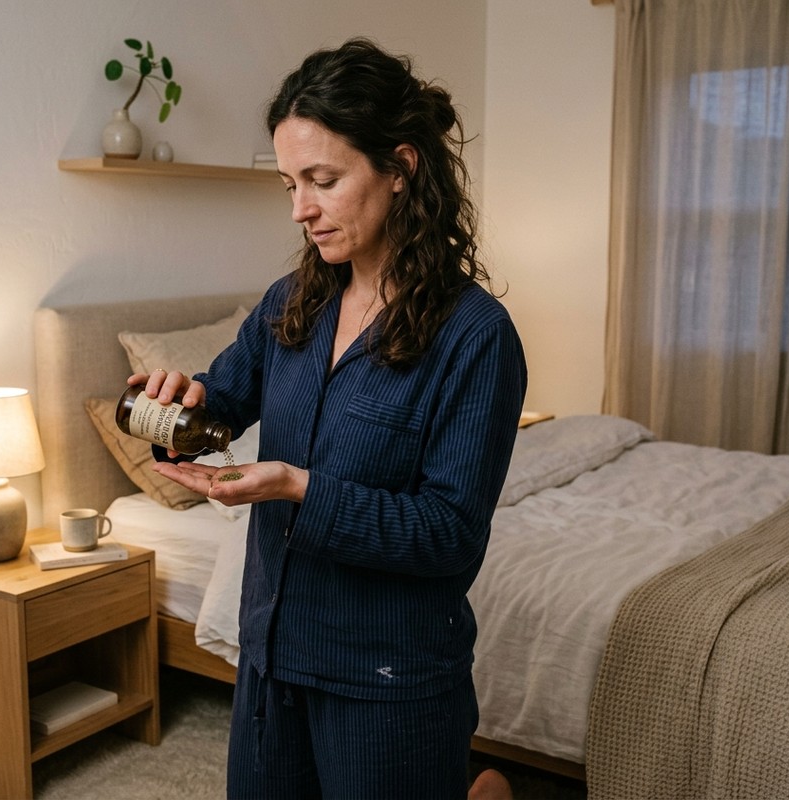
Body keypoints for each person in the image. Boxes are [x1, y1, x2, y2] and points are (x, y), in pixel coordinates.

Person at [131, 37, 526, 800]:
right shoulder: (291, 303)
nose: (300, 209)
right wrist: (184, 402)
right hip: (271, 655)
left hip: (388, 679)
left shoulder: (475, 337)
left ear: (402, 168)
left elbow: (449, 533)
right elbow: (226, 400)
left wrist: (299, 489)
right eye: (288, 184)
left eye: (322, 180)